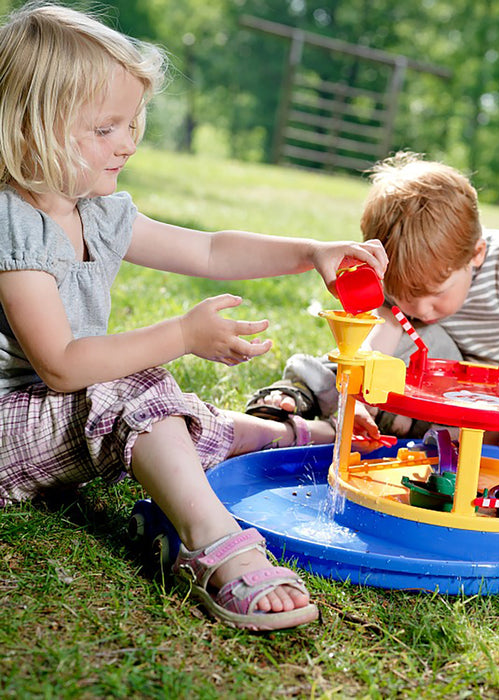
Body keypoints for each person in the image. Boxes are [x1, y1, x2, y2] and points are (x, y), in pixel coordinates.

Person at [0, 3, 388, 632]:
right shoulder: (14, 224)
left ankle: (293, 440)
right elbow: (63, 365)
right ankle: (213, 543)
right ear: (27, 129)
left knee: (160, 409)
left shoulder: (93, 209)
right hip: (11, 423)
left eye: (131, 124)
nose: (128, 143)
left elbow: (209, 249)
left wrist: (311, 252)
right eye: (105, 129)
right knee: (135, 385)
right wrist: (179, 335)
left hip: (59, 413)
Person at [246, 151, 499, 455]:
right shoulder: (405, 281)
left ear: (476, 255)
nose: (421, 309)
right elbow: (376, 351)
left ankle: (406, 421)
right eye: (407, 295)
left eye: (437, 293)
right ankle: (307, 388)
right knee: (391, 341)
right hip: (448, 372)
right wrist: (360, 398)